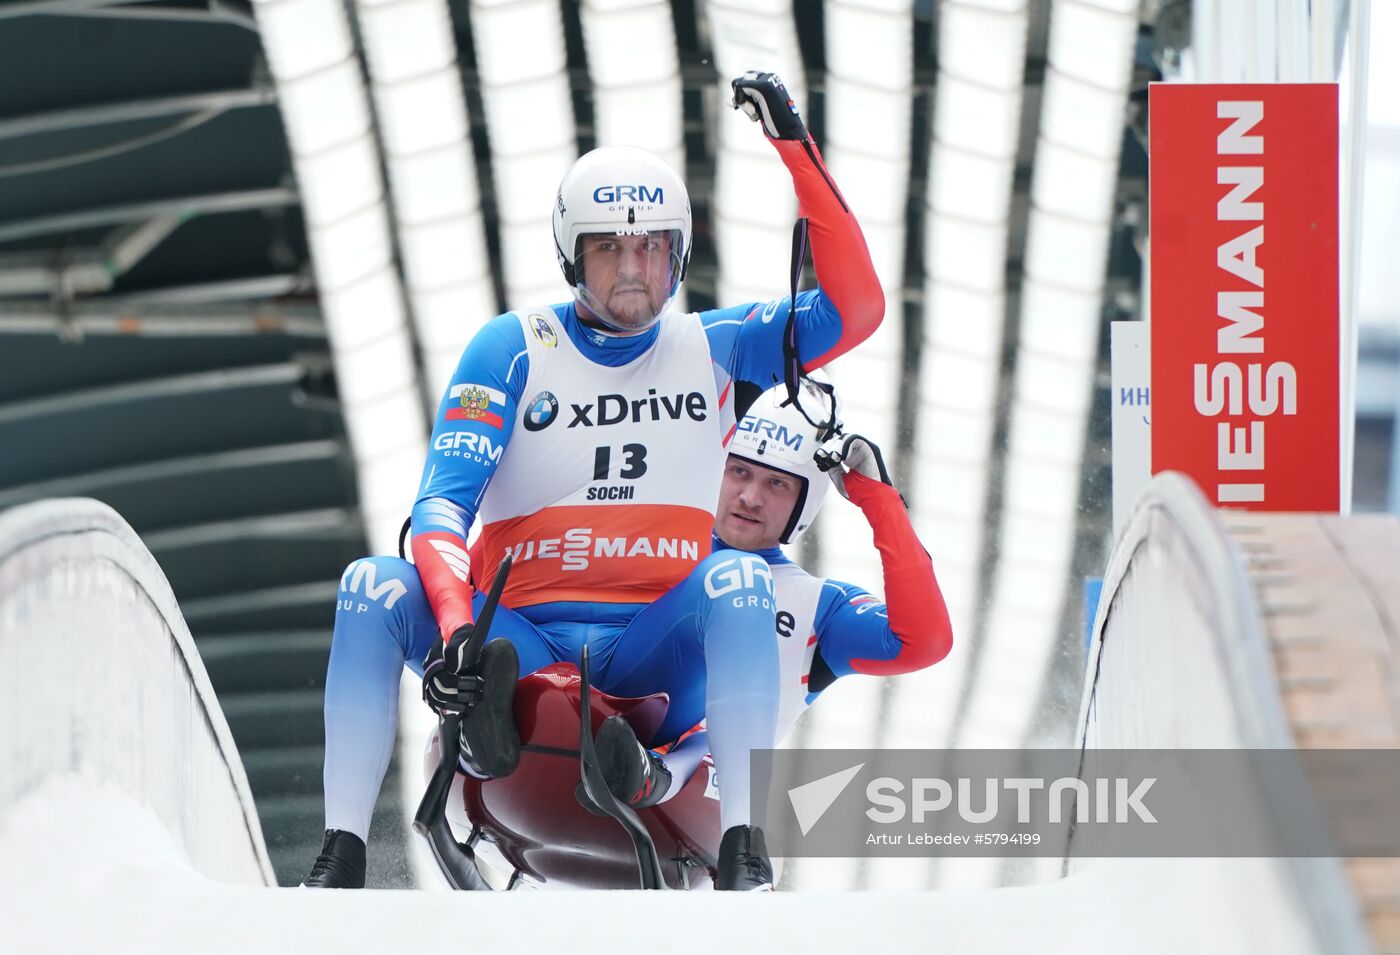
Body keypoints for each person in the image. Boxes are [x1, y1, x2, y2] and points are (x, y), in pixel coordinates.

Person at [304, 71, 884, 890]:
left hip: (651, 646)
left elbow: (856, 311)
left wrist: (795, 149)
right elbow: (439, 507)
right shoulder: (510, 348)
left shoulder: (716, 344)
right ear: (573, 254)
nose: (633, 270)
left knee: (743, 580)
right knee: (371, 584)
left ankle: (745, 852)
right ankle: (343, 855)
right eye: (610, 247)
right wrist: (456, 622)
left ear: (678, 255)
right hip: (520, 630)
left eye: (651, 246)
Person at [582, 381, 953, 820]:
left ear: (804, 503)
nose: (751, 497)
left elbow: (925, 642)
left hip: (702, 804)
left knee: (716, 736)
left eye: (777, 483)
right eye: (738, 471)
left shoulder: (822, 607)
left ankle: (654, 774)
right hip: (592, 732)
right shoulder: (647, 543)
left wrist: (880, 503)